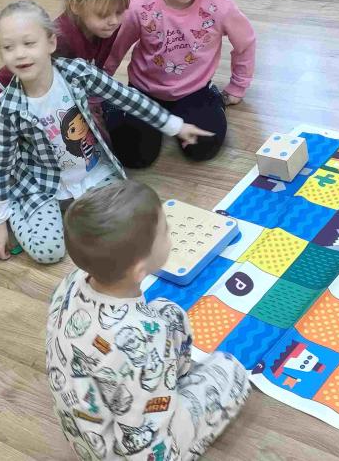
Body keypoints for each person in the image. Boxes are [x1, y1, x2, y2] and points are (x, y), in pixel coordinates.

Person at [0, 0, 212, 264]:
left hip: (94, 173)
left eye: (29, 43)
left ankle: (75, 208)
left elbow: (127, 97)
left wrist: (175, 125)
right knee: (49, 253)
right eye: (8, 47)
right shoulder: (8, 106)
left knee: (132, 223)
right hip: (42, 187)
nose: (19, 54)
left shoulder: (77, 73)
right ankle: (23, 209)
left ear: (51, 43)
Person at [46, 180, 251, 459]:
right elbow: (139, 437)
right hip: (135, 452)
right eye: (165, 231)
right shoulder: (143, 337)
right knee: (231, 371)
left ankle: (169, 383)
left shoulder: (71, 282)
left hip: (86, 434)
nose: (171, 233)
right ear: (139, 270)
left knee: (168, 312)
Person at [104, 0, 256, 168]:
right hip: (144, 92)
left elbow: (245, 43)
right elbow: (114, 50)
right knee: (134, 157)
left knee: (204, 148)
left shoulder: (220, 6)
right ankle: (115, 108)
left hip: (194, 92)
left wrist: (238, 86)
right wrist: (99, 91)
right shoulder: (139, 6)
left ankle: (211, 101)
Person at [0, 0, 132, 155]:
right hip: (5, 99)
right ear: (75, 6)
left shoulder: (106, 28)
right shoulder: (62, 41)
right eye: (103, 15)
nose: (114, 21)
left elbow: (93, 70)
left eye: (119, 12)